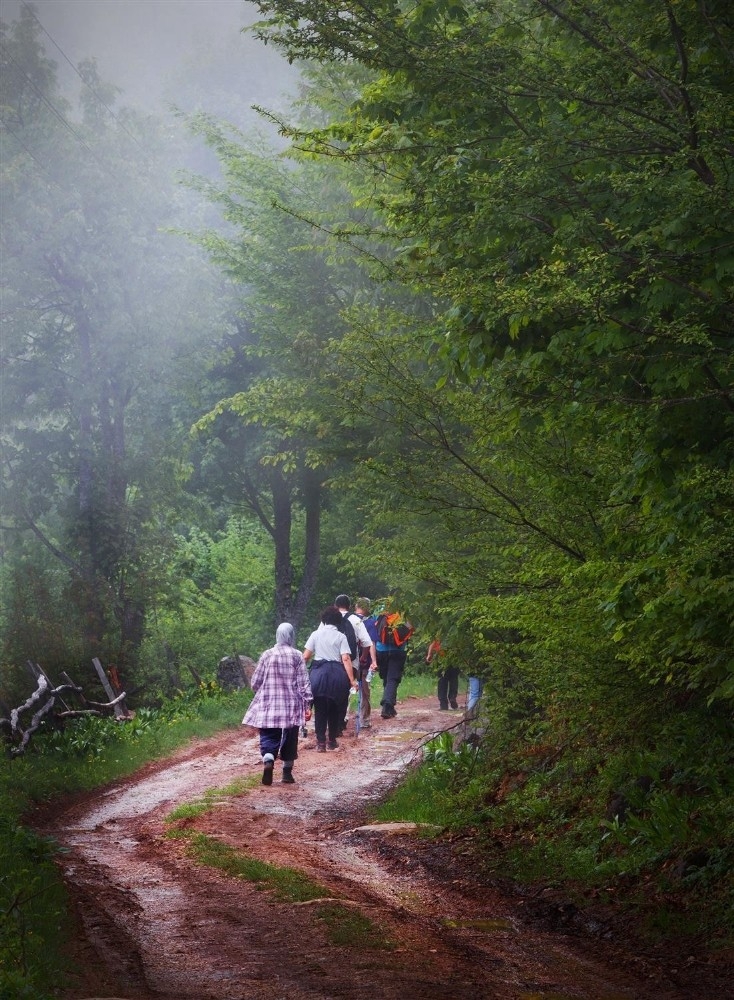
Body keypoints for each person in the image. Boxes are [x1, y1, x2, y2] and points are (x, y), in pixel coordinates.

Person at [242, 622, 312, 785]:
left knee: (268, 733)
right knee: (290, 736)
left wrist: (265, 690)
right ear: (291, 636)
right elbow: (303, 683)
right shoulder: (296, 655)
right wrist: (307, 703)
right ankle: (287, 773)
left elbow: (255, 682)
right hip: (291, 704)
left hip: (270, 702)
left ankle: (268, 759)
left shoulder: (267, 654)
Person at [303, 605, 358, 751]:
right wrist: (352, 680)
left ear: (324, 619)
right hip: (336, 675)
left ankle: (321, 743)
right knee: (334, 708)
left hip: (318, 675)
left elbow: (306, 656)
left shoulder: (315, 634)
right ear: (338, 621)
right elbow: (345, 658)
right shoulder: (341, 636)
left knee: (320, 708)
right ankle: (332, 740)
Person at [335, 594, 378, 731]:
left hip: (332, 661)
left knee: (334, 691)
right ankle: (345, 719)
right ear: (349, 606)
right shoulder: (355, 620)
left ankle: (335, 720)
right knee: (348, 690)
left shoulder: (329, 617)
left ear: (336, 605)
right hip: (352, 662)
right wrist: (364, 657)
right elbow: (367, 642)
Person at [375, 601, 412, 719]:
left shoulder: (381, 609)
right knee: (393, 679)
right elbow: (410, 627)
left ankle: (390, 707)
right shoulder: (403, 610)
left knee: (387, 678)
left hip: (381, 650)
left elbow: (374, 626)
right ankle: (387, 705)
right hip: (398, 650)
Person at [354, 597, 379, 729]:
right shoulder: (370, 623)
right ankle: (365, 719)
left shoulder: (349, 620)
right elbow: (372, 644)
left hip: (350, 662)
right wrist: (373, 661)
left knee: (346, 689)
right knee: (365, 692)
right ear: (367, 608)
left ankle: (343, 717)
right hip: (365, 662)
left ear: (356, 606)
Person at [426, 636, 460, 711]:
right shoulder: (454, 631)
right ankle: (452, 697)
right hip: (453, 659)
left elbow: (432, 644)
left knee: (442, 682)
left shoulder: (439, 632)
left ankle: (443, 704)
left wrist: (429, 655)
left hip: (441, 659)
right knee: (454, 680)